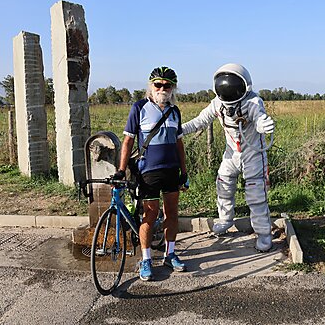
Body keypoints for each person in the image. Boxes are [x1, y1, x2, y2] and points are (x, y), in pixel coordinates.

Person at [182, 63, 275, 252]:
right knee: (223, 184)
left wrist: (263, 125)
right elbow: (200, 121)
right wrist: (179, 130)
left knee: (256, 195)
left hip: (253, 154)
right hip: (231, 153)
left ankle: (264, 234)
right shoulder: (217, 104)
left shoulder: (253, 102)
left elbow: (258, 118)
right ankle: (225, 219)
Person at [113, 66, 188, 281]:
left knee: (172, 213)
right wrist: (121, 169)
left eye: (167, 85)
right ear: (151, 86)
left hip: (171, 170)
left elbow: (179, 143)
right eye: (158, 84)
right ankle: (146, 259)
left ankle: (170, 253)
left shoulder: (174, 111)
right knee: (150, 214)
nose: (162, 88)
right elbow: (127, 141)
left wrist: (184, 171)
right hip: (149, 171)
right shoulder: (139, 107)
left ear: (173, 88)